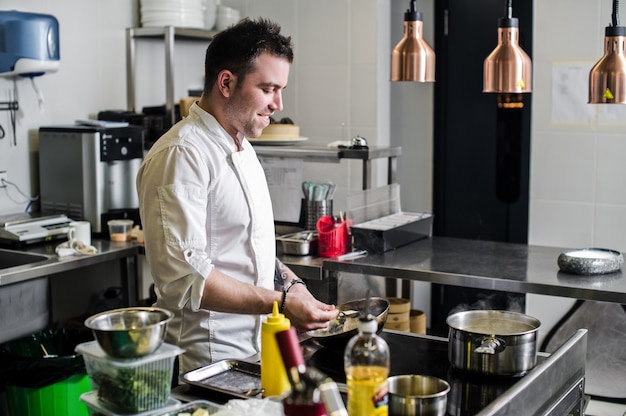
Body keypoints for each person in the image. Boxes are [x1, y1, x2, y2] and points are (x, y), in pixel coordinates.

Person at [136, 17, 338, 375]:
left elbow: (249, 249)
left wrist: (292, 286)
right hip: (206, 362)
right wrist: (284, 302)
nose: (278, 103)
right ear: (226, 82)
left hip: (255, 352)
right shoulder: (182, 154)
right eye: (268, 88)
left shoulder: (242, 147)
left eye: (281, 89)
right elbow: (187, 278)